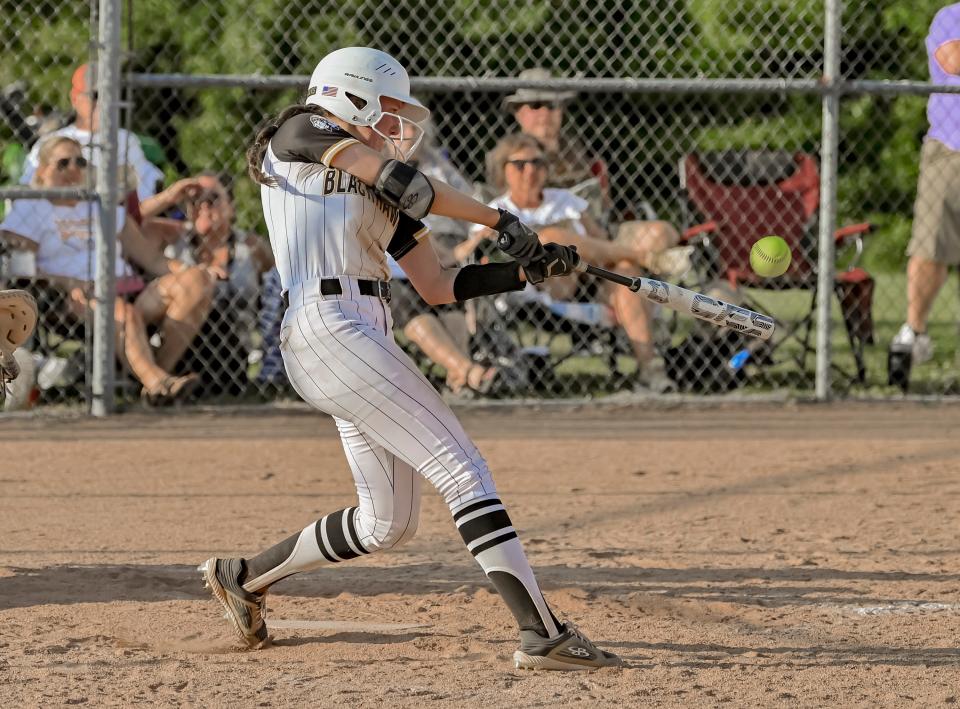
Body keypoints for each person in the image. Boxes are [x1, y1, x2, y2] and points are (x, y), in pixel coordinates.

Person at [198, 46, 619, 671]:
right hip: (327, 324)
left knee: (386, 523)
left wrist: (523, 271)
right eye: (387, 109)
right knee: (462, 469)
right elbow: (411, 186)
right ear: (348, 93)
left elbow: (439, 285)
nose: (396, 126)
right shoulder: (302, 130)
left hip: (364, 335)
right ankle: (542, 634)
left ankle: (245, 578)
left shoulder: (373, 187)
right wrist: (501, 218)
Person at [0, 136, 204, 403]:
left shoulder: (101, 204)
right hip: (71, 297)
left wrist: (194, 270)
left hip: (129, 287)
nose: (74, 168)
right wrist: (67, 282)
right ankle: (158, 383)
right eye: (63, 163)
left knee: (196, 282)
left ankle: (153, 377)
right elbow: (23, 270)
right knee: (121, 311)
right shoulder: (32, 206)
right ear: (42, 170)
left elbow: (152, 260)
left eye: (80, 161)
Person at [480, 132, 673, 388]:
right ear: (503, 170)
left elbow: (602, 241)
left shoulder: (564, 199)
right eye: (519, 164)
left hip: (591, 280)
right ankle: (647, 258)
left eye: (538, 163)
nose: (530, 170)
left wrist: (616, 257)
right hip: (544, 287)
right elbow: (479, 252)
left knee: (628, 270)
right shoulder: (495, 211)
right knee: (550, 239)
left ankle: (651, 371)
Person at [493, 67, 683, 274]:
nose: (545, 114)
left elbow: (601, 203)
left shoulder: (574, 147)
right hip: (550, 239)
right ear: (518, 112)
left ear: (561, 110)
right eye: (536, 105)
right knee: (555, 241)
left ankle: (617, 266)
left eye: (552, 105)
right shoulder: (507, 156)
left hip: (597, 232)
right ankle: (633, 259)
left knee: (661, 233)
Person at [889, 4, 960, 382]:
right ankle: (914, 331)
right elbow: (953, 60)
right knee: (930, 245)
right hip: (951, 149)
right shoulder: (951, 15)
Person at [20, 63, 164, 201]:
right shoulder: (52, 142)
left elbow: (144, 195)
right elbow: (29, 190)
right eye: (95, 95)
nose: (103, 102)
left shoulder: (126, 139)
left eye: (109, 95)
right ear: (75, 99)